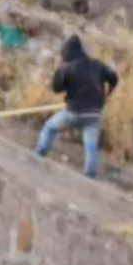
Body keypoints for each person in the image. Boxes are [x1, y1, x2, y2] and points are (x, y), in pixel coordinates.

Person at [35, 34, 119, 178]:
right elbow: (114, 77)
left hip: (74, 111)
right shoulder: (97, 64)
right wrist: (108, 95)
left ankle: (38, 155)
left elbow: (56, 88)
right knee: (90, 145)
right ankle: (89, 175)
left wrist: (58, 70)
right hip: (94, 113)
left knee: (49, 128)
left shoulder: (68, 68)